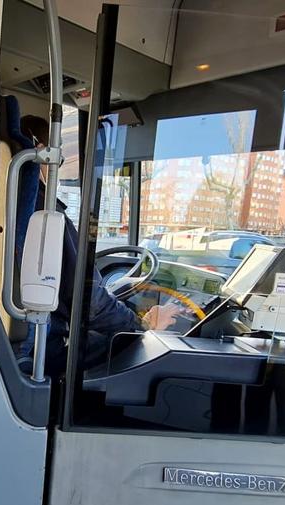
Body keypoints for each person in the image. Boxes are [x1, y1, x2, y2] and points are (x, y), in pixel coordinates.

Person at [17, 115, 182, 374]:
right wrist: (141, 325)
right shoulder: (45, 215)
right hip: (46, 347)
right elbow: (87, 301)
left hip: (28, 339)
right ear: (41, 154)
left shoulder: (12, 205)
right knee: (132, 346)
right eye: (57, 158)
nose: (58, 167)